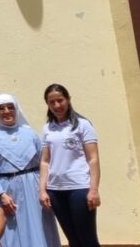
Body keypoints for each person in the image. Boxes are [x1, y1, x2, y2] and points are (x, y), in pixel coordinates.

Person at [0, 94, 60, 247]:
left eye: (10, 107)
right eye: (1, 108)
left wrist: (43, 190)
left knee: (38, 227)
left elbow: (44, 162)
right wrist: (0, 194)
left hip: (33, 187)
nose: (6, 111)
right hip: (6, 190)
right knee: (11, 231)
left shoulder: (30, 134)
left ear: (16, 109)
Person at [39, 84, 101, 247]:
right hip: (56, 191)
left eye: (60, 100)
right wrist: (43, 190)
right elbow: (45, 161)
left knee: (87, 239)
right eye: (52, 102)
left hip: (79, 188)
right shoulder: (47, 128)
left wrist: (93, 190)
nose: (57, 106)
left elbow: (93, 159)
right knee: (73, 239)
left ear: (68, 100)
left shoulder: (82, 125)